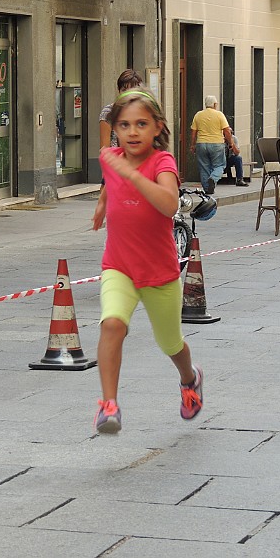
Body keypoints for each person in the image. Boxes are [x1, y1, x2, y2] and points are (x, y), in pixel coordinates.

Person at [92, 88, 202, 434]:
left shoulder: (162, 163)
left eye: (141, 124)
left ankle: (190, 378)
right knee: (112, 324)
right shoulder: (112, 157)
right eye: (124, 125)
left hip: (158, 272)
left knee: (170, 342)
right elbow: (111, 183)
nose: (133, 132)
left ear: (157, 127)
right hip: (119, 265)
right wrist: (101, 205)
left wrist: (132, 175)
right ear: (115, 129)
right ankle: (109, 406)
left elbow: (169, 204)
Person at [93, 69, 144, 229]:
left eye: (133, 89)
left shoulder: (144, 113)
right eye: (124, 89)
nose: (128, 93)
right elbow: (105, 149)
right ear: (119, 90)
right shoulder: (109, 113)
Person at [190, 95, 233, 194]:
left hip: (201, 143)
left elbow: (193, 132)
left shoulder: (198, 115)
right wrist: (230, 142)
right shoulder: (219, 115)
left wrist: (192, 145)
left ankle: (207, 189)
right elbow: (226, 130)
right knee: (220, 165)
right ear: (214, 104)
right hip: (216, 144)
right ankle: (213, 178)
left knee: (204, 167)